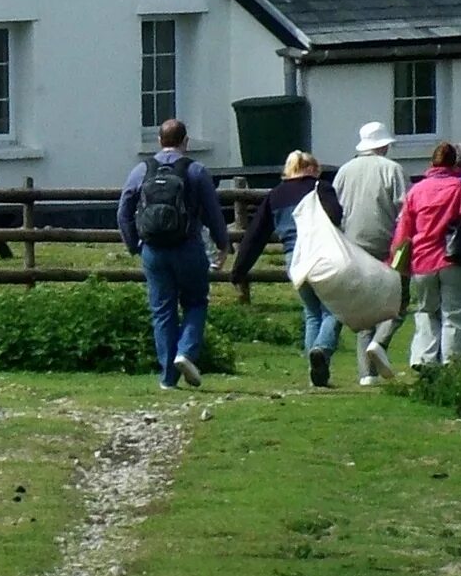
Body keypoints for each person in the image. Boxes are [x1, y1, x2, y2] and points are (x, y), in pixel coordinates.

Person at [117, 116, 231, 389]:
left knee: (162, 310)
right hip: (188, 246)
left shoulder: (141, 170)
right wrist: (222, 245)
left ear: (159, 141)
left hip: (154, 250)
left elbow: (123, 211)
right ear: (186, 142)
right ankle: (186, 351)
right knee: (195, 302)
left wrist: (134, 244)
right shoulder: (196, 171)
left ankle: (168, 377)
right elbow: (213, 213)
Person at [230, 148, 351, 386]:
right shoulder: (321, 188)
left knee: (311, 312)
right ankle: (322, 349)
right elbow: (335, 215)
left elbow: (255, 235)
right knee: (334, 309)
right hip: (321, 254)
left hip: (293, 258)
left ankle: (315, 369)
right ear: (312, 169)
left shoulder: (275, 195)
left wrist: (238, 270)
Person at [387, 141, 461, 368]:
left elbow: (403, 232)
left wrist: (396, 260)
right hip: (456, 259)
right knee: (456, 315)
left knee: (426, 311)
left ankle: (423, 359)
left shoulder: (416, 190)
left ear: (432, 162)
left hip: (423, 261)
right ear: (453, 163)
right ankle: (452, 363)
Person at [333, 121, 410, 387]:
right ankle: (380, 342)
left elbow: (337, 209)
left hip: (353, 246)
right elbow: (405, 211)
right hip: (387, 244)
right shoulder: (393, 170)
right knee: (399, 302)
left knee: (364, 308)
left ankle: (367, 374)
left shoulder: (344, 171)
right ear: (383, 145)